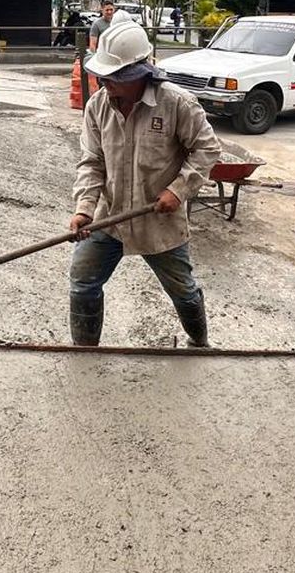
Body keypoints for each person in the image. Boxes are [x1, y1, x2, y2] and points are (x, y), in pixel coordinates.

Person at [68, 19, 222, 348]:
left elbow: (207, 149)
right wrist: (84, 209)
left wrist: (177, 191)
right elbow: (92, 162)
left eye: (114, 76)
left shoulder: (176, 104)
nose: (105, 82)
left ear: (139, 73)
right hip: (110, 218)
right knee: (83, 280)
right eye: (103, 75)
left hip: (159, 219)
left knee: (183, 289)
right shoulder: (97, 106)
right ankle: (84, 351)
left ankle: (200, 341)